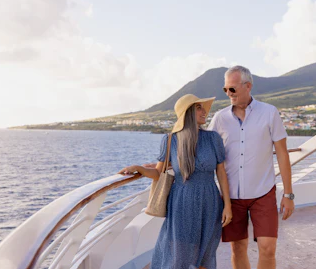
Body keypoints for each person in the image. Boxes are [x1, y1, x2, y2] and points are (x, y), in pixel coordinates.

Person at [118, 94, 232, 269]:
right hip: (181, 203)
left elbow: (221, 173)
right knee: (180, 254)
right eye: (199, 108)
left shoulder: (213, 139)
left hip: (210, 202)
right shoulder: (171, 140)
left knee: (206, 254)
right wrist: (139, 168)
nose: (204, 112)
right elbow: (158, 172)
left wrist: (227, 206)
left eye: (203, 107)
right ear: (188, 113)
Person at [208, 65, 294, 269]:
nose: (228, 94)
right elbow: (203, 148)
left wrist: (288, 194)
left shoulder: (269, 113)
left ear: (248, 86)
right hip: (231, 198)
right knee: (238, 248)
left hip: (263, 193)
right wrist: (163, 163)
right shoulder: (220, 118)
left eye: (233, 89)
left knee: (268, 248)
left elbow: (282, 153)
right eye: (225, 89)